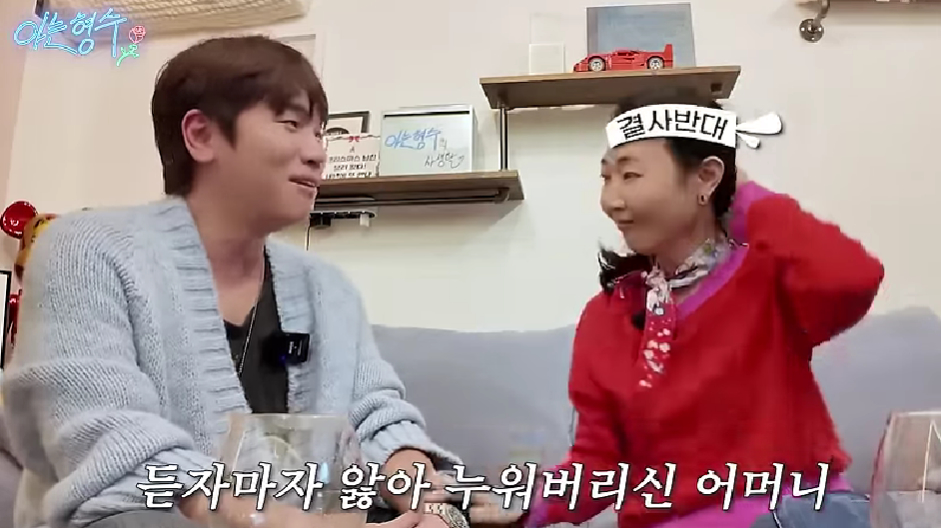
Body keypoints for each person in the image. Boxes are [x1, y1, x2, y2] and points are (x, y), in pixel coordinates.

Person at [0, 36, 475, 528]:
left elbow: (377, 418)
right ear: (201, 135)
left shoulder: (327, 288)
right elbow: (106, 440)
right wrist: (279, 522)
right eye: (291, 124)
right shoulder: (86, 250)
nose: (317, 153)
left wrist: (430, 505)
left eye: (320, 133)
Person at [515, 91, 885, 528]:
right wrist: (526, 505)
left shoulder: (768, 277)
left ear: (706, 178)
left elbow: (852, 277)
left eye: (630, 175)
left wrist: (743, 195)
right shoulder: (606, 317)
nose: (611, 199)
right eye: (606, 177)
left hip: (794, 513)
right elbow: (599, 463)